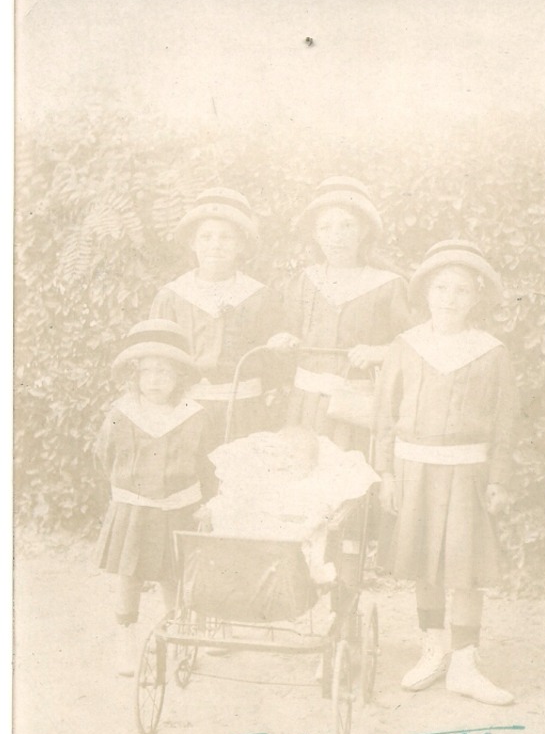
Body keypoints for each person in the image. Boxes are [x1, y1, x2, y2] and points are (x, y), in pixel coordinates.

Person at [374, 240, 519, 706]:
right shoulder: (406, 346)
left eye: (461, 290)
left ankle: (464, 662)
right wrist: (387, 474)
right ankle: (432, 648)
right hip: (413, 467)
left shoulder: (491, 352)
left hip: (467, 471)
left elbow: (504, 421)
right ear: (426, 292)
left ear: (476, 298)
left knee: (464, 567)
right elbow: (383, 414)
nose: (449, 298)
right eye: (441, 287)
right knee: (424, 562)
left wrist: (498, 478)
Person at [95, 319, 216, 677]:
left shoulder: (195, 416)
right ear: (136, 377)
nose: (155, 380)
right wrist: (127, 491)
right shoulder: (121, 414)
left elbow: (209, 464)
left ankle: (178, 636)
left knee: (172, 574)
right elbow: (104, 456)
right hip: (135, 507)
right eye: (147, 372)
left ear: (180, 377)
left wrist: (206, 503)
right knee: (130, 574)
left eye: (164, 372)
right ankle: (126, 640)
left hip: (180, 507)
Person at [269, 176, 411, 451]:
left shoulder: (388, 285)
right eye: (326, 227)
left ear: (364, 231)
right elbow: (287, 329)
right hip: (305, 404)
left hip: (354, 407)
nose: (337, 236)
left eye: (347, 225)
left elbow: (413, 346)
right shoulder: (305, 281)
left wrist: (379, 352)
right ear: (316, 234)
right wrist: (282, 340)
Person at [151, 187, 283, 447]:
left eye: (227, 238)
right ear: (193, 242)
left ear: (241, 245)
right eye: (206, 236)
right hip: (187, 411)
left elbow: (274, 365)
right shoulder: (173, 297)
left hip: (246, 412)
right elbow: (157, 360)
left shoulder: (260, 297)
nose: (215, 245)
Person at [205, 427, 380, 586]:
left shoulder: (314, 487)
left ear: (312, 464)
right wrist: (215, 509)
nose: (286, 462)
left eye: (294, 457)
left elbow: (318, 516)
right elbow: (236, 501)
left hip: (291, 552)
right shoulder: (263, 482)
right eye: (281, 455)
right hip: (253, 547)